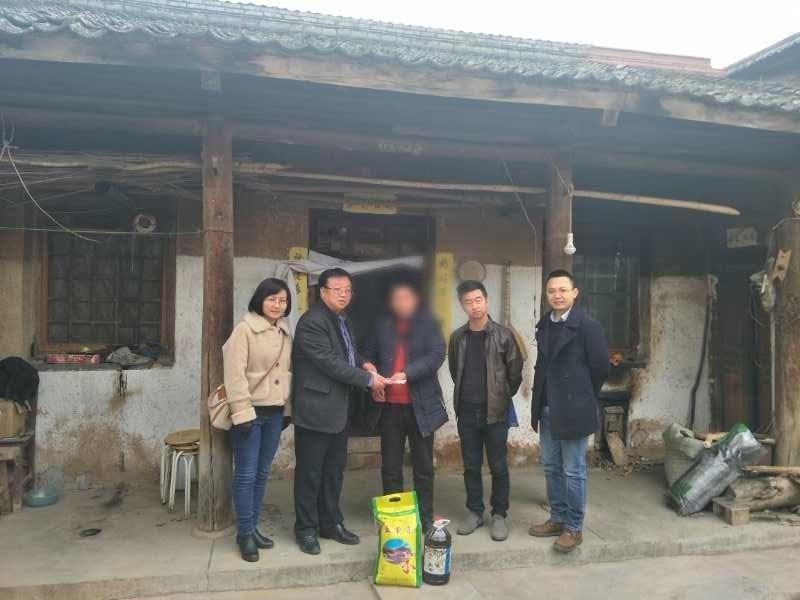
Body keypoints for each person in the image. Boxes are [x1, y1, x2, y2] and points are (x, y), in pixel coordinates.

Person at [291, 267, 391, 555]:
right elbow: (329, 362)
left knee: (334, 471)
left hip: (338, 409)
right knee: (310, 473)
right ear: (322, 292)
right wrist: (369, 379)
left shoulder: (342, 319)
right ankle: (306, 529)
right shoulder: (312, 322)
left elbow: (347, 353)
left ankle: (330, 522)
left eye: (348, 290)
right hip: (316, 409)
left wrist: (364, 363)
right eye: (337, 290)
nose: (344, 295)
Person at [529, 269, 610, 553]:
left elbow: (600, 366)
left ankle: (574, 528)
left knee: (574, 470)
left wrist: (582, 394)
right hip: (547, 406)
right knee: (551, 466)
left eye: (563, 290)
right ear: (546, 295)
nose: (557, 295)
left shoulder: (587, 326)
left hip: (574, 407)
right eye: (552, 291)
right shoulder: (544, 325)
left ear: (575, 293)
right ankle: (557, 518)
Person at [361, 276, 447, 532]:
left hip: (422, 407)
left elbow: (436, 355)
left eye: (406, 297)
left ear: (416, 300)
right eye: (396, 298)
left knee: (423, 467)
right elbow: (365, 354)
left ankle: (425, 518)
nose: (401, 302)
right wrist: (370, 372)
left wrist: (408, 373)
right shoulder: (381, 325)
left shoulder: (429, 325)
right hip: (390, 407)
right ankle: (393, 518)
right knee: (390, 466)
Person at [223, 277, 293, 562]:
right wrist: (241, 414)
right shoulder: (244, 330)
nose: (277, 305)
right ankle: (244, 534)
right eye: (272, 299)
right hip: (250, 413)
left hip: (275, 412)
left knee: (262, 473)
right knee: (246, 474)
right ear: (260, 300)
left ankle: (253, 528)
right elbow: (234, 375)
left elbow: (287, 373)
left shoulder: (284, 331)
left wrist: (287, 409)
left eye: (282, 300)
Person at [448, 280, 523, 542]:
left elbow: (515, 373)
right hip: (466, 411)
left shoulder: (503, 335)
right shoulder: (458, 338)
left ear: (487, 301)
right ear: (462, 305)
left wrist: (500, 396)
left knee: (498, 465)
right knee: (470, 465)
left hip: (495, 412)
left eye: (478, 300)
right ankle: (475, 511)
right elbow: (455, 371)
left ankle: (499, 514)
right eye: (468, 302)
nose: (474, 306)